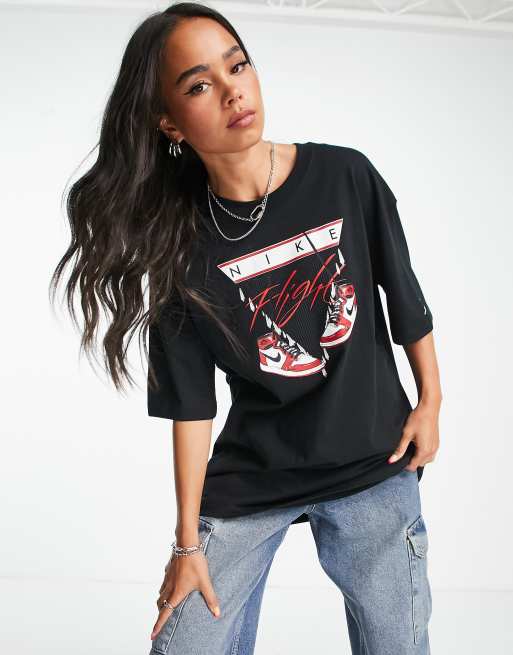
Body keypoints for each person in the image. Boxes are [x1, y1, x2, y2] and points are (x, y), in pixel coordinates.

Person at [50, 3, 442, 654]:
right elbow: (190, 403)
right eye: (199, 85)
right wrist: (186, 544)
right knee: (184, 645)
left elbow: (403, 295)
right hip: (255, 475)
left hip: (373, 460)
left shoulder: (345, 175)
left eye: (237, 66)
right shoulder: (177, 245)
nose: (232, 91)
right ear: (170, 122)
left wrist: (430, 401)